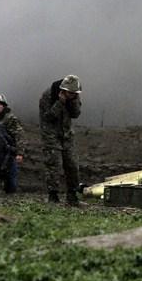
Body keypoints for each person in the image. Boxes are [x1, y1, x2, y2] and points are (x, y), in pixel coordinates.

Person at [39, 75, 82, 205]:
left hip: (67, 134)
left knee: (72, 164)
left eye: (75, 94)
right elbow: (48, 117)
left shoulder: (74, 96)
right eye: (70, 93)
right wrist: (60, 103)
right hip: (51, 134)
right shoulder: (48, 96)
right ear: (63, 90)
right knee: (53, 164)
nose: (72, 95)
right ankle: (53, 195)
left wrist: (72, 101)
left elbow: (76, 114)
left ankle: (72, 194)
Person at [0, 92, 26, 193]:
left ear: (4, 106)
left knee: (11, 184)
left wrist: (20, 153)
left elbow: (20, 135)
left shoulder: (10, 119)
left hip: (9, 156)